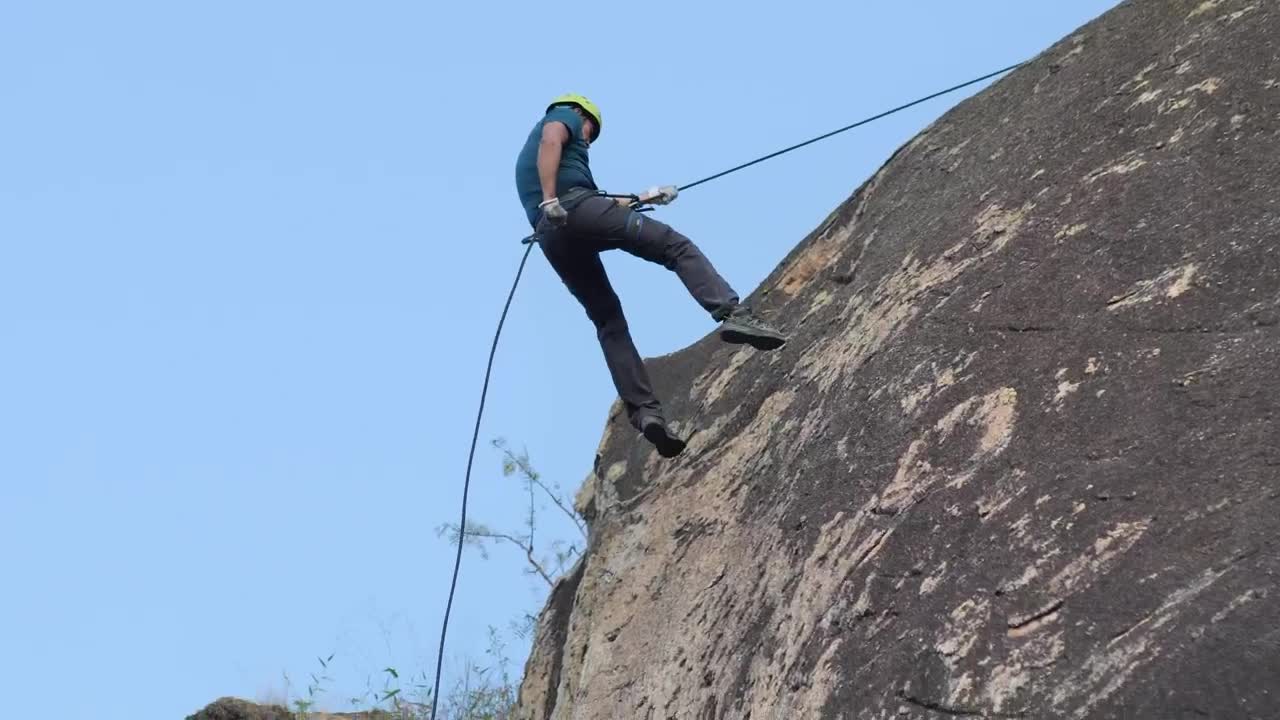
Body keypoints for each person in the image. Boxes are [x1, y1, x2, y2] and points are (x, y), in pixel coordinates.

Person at [515, 94, 787, 458]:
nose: (587, 140)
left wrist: (647, 197)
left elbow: (595, 201)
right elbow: (554, 142)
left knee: (608, 320)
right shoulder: (562, 118)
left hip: (552, 235)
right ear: (582, 115)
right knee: (675, 246)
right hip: (573, 210)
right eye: (590, 133)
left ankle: (646, 414)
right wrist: (552, 198)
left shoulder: (532, 161)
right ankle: (733, 314)